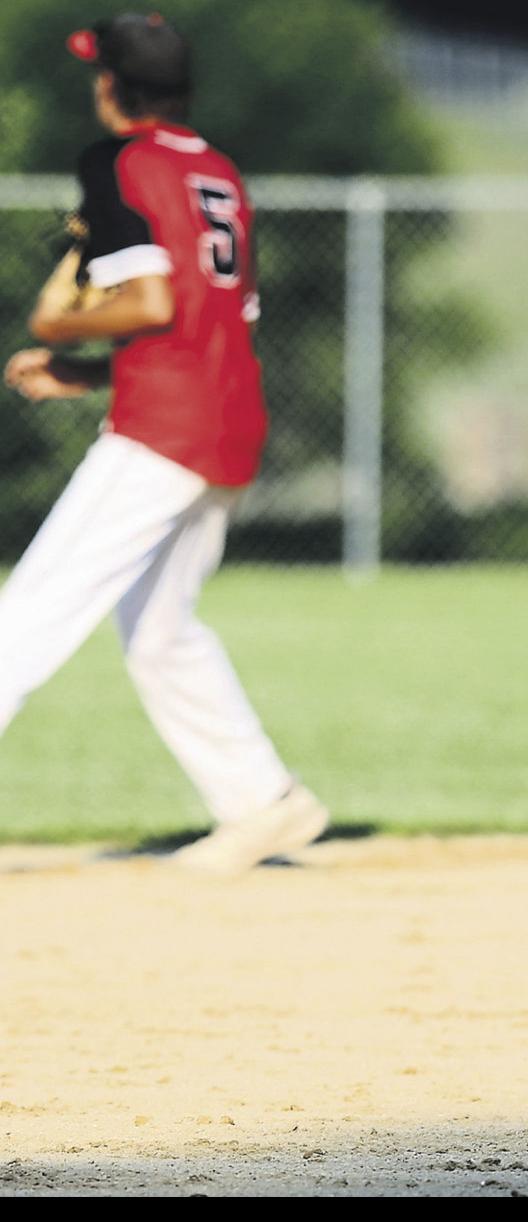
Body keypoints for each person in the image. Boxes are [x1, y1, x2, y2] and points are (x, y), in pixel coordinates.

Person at [0, 13, 328, 874]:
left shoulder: (117, 163)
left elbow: (149, 303)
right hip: (225, 418)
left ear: (111, 87)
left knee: (28, 612)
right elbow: (210, 320)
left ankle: (260, 801)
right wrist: (94, 374)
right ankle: (263, 804)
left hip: (163, 431)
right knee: (159, 631)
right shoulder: (216, 171)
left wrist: (55, 321)